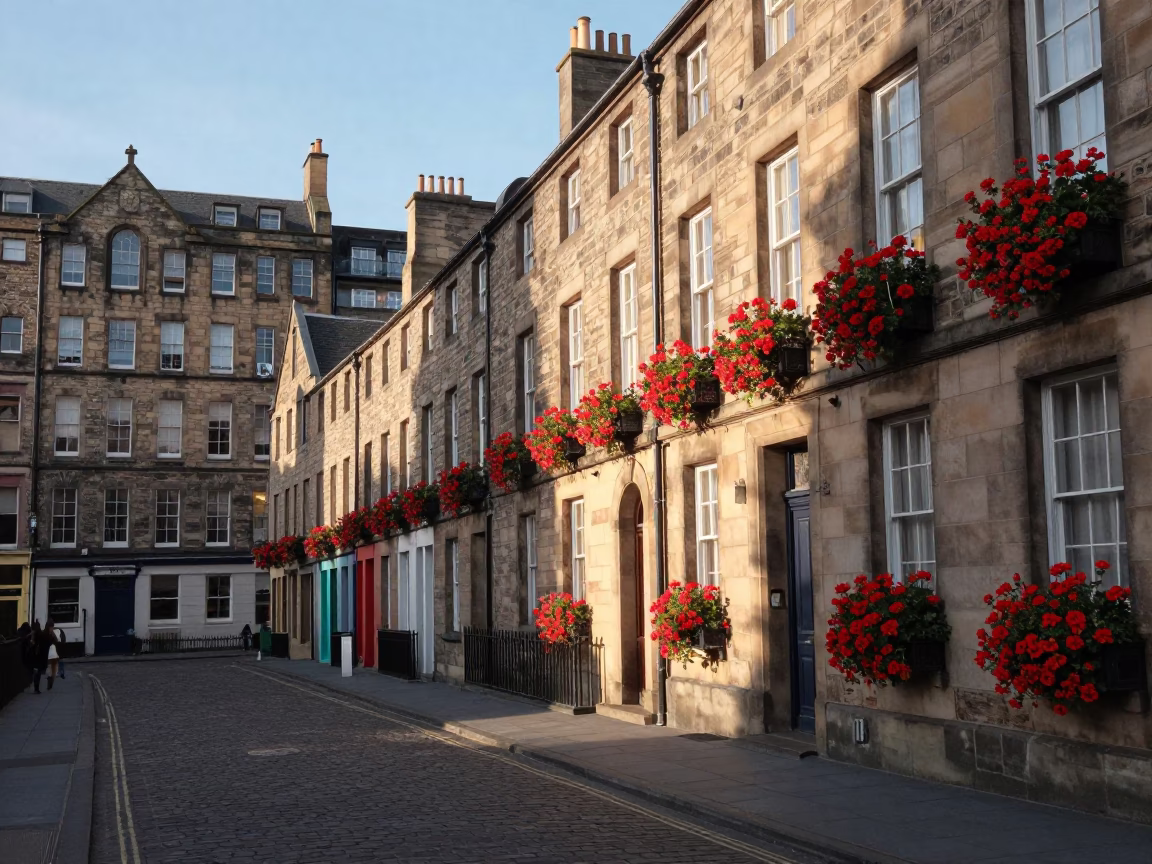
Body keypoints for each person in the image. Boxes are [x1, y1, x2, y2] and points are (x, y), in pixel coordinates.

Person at [43, 620, 60, 689]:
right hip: (49, 653)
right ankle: (49, 682)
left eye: (52, 627)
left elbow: (56, 641)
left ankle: (50, 682)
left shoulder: (52, 633)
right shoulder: (45, 634)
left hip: (54, 653)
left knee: (54, 670)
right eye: (51, 627)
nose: (52, 628)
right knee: (50, 668)